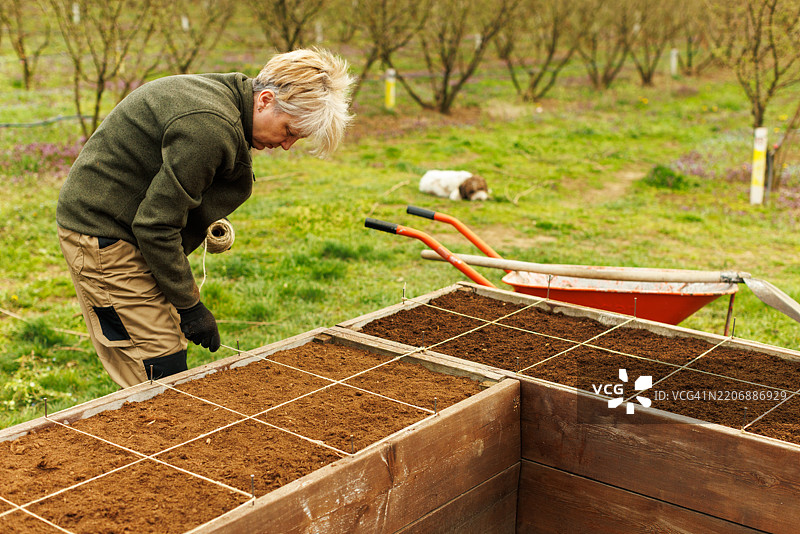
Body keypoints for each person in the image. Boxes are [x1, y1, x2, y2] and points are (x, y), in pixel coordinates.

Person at [56, 48, 354, 388]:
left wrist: (204, 218)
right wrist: (191, 307)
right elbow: (155, 225)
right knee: (157, 363)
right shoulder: (210, 127)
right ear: (265, 100)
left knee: (166, 346)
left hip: (129, 221)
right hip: (103, 232)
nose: (287, 145)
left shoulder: (228, 98)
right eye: (289, 131)